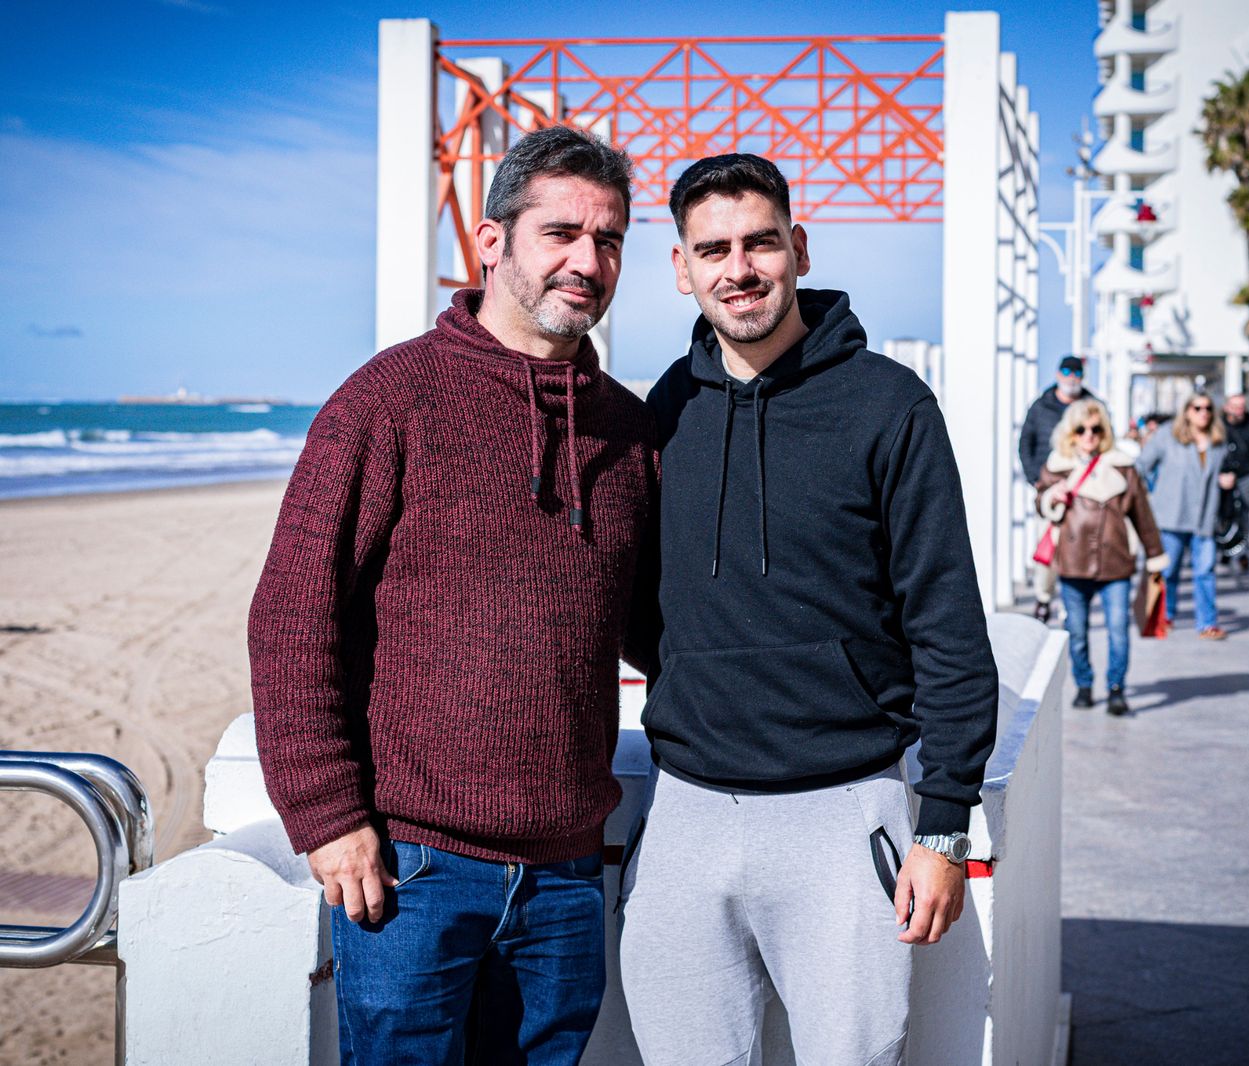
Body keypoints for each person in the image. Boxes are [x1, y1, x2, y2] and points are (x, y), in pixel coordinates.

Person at [247, 127, 656, 1064]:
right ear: (491, 241)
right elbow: (291, 620)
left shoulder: (629, 432)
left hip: (564, 873)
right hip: (410, 868)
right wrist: (327, 817)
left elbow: (663, 630)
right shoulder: (391, 399)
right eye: (559, 233)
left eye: (610, 240)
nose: (586, 262)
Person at [619, 153, 998, 1066]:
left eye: (759, 242)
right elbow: (639, 603)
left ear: (799, 246)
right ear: (681, 268)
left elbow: (947, 624)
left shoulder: (890, 407)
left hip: (844, 815)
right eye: (712, 249)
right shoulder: (667, 409)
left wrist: (944, 823)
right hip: (685, 813)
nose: (738, 268)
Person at [1037, 398, 1168, 716]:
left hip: (1116, 562)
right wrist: (1051, 497)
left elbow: (1142, 514)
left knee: (1118, 631)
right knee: (1078, 633)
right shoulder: (1057, 466)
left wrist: (1155, 556)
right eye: (1081, 429)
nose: (1089, 435)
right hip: (1073, 562)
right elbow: (1039, 501)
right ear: (1070, 432)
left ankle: (1116, 689)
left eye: (1095, 429)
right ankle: (1084, 684)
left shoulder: (1123, 465)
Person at [1137, 393, 1230, 640]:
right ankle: (1164, 617)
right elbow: (1141, 465)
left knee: (1206, 571)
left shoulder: (1218, 440)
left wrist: (1227, 480)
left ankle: (1207, 623)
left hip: (1205, 516)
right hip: (1172, 516)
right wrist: (1150, 494)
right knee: (1169, 571)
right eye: (1197, 407)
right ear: (1187, 410)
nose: (1204, 412)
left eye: (1208, 408)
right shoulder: (1167, 435)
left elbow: (1227, 470)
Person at [1019, 355, 1094, 622]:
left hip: (1084, 491)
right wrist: (1036, 479)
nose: (1071, 377)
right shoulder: (1041, 406)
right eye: (1066, 371)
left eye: (1076, 372)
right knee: (1048, 546)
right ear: (1058, 374)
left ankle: (1070, 604)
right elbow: (1025, 443)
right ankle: (1043, 597)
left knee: (1079, 549)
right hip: (1049, 488)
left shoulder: (1092, 406)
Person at [1221, 393, 1249, 572]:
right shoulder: (1219, 426)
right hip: (1223, 476)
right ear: (1227, 407)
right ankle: (1225, 546)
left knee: (1244, 513)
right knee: (1224, 513)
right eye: (1234, 406)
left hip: (1247, 476)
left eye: (1241, 406)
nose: (1238, 411)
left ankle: (1243, 551)